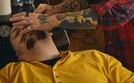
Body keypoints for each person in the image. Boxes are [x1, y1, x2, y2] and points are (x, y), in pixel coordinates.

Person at [0, 26, 134, 83]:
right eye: (17, 33)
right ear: (18, 54)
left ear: (49, 30)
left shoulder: (96, 57)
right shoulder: (12, 72)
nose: (26, 29)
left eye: (29, 24)